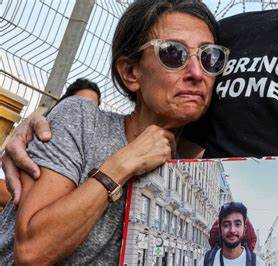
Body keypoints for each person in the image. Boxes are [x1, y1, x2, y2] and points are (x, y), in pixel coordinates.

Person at [2, 0, 278, 264]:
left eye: (205, 61)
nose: (198, 69)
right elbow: (162, 129)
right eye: (180, 56)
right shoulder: (232, 36)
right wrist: (48, 128)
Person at [0, 0, 227, 264]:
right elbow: (31, 252)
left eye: (209, 57)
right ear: (131, 72)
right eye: (174, 54)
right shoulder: (83, 120)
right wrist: (124, 162)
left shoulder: (194, 172)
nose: (197, 73)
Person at [199, 202, 264, 266]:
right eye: (226, 225)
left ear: (244, 229)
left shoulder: (258, 263)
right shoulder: (206, 262)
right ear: (220, 229)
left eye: (237, 224)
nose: (232, 230)